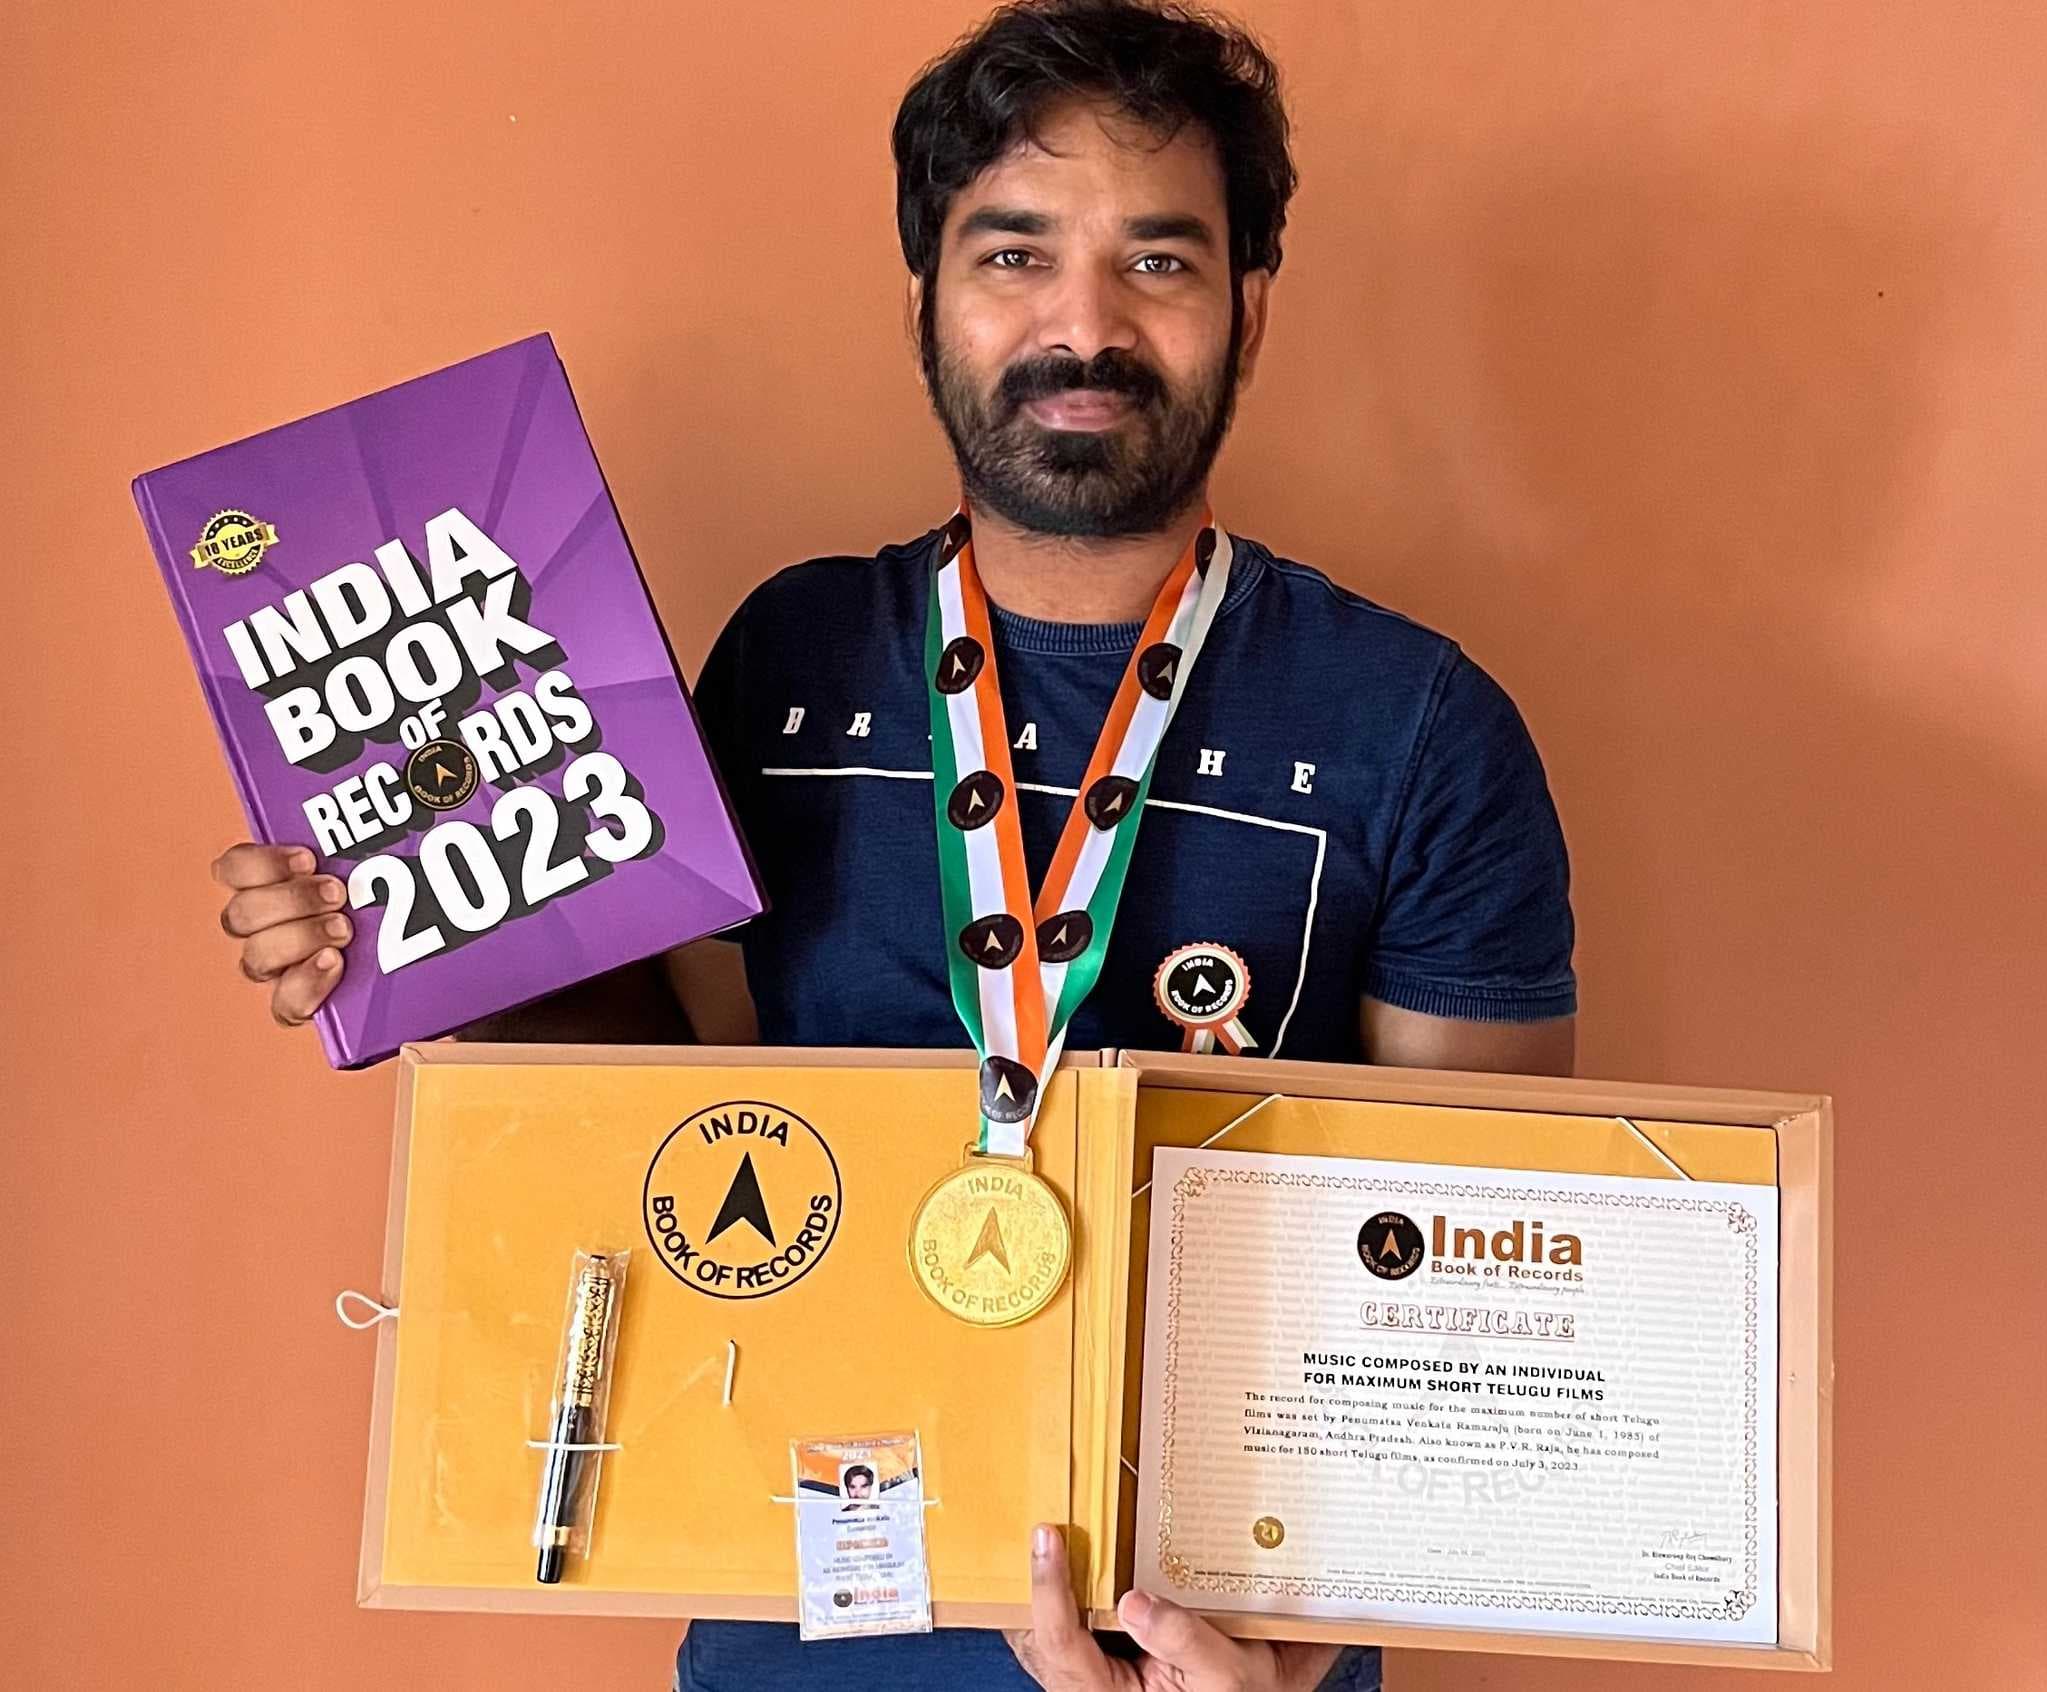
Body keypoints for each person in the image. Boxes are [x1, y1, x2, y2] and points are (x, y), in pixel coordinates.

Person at [210, 2, 1576, 1686]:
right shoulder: (788, 654)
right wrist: (433, 938)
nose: (1085, 326)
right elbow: (680, 1094)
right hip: (795, 1625)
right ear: (925, 298)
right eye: (1014, 253)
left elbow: (1482, 1276)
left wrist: (1302, 1654)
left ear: (1250, 309)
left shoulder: (1419, 724)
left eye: (1159, 262)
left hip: (1208, 1649)